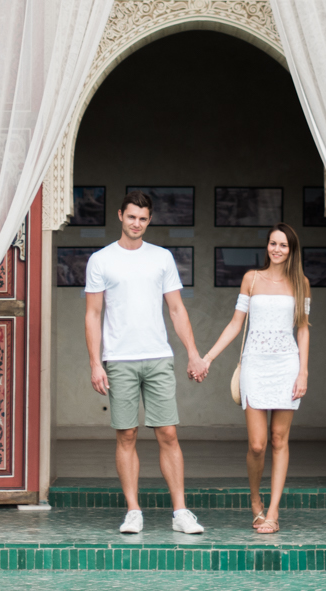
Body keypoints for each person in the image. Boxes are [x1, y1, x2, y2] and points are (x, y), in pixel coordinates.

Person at [84, 189, 210, 535]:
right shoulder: (101, 260)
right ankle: (133, 511)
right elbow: (93, 315)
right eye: (131, 217)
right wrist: (96, 362)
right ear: (120, 216)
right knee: (126, 434)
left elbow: (176, 309)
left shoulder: (162, 258)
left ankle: (181, 512)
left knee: (168, 433)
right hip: (119, 359)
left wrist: (193, 353)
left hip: (157, 356)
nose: (136, 223)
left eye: (143, 218)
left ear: (149, 220)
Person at [199, 223, 312, 534]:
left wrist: (303, 370)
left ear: (292, 250)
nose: (277, 249)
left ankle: (273, 512)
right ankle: (255, 499)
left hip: (287, 366)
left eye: (283, 245)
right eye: (273, 243)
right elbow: (236, 324)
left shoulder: (301, 283)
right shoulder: (251, 279)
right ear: (267, 247)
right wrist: (208, 357)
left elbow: (302, 329)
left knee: (279, 439)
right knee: (258, 444)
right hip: (255, 365)